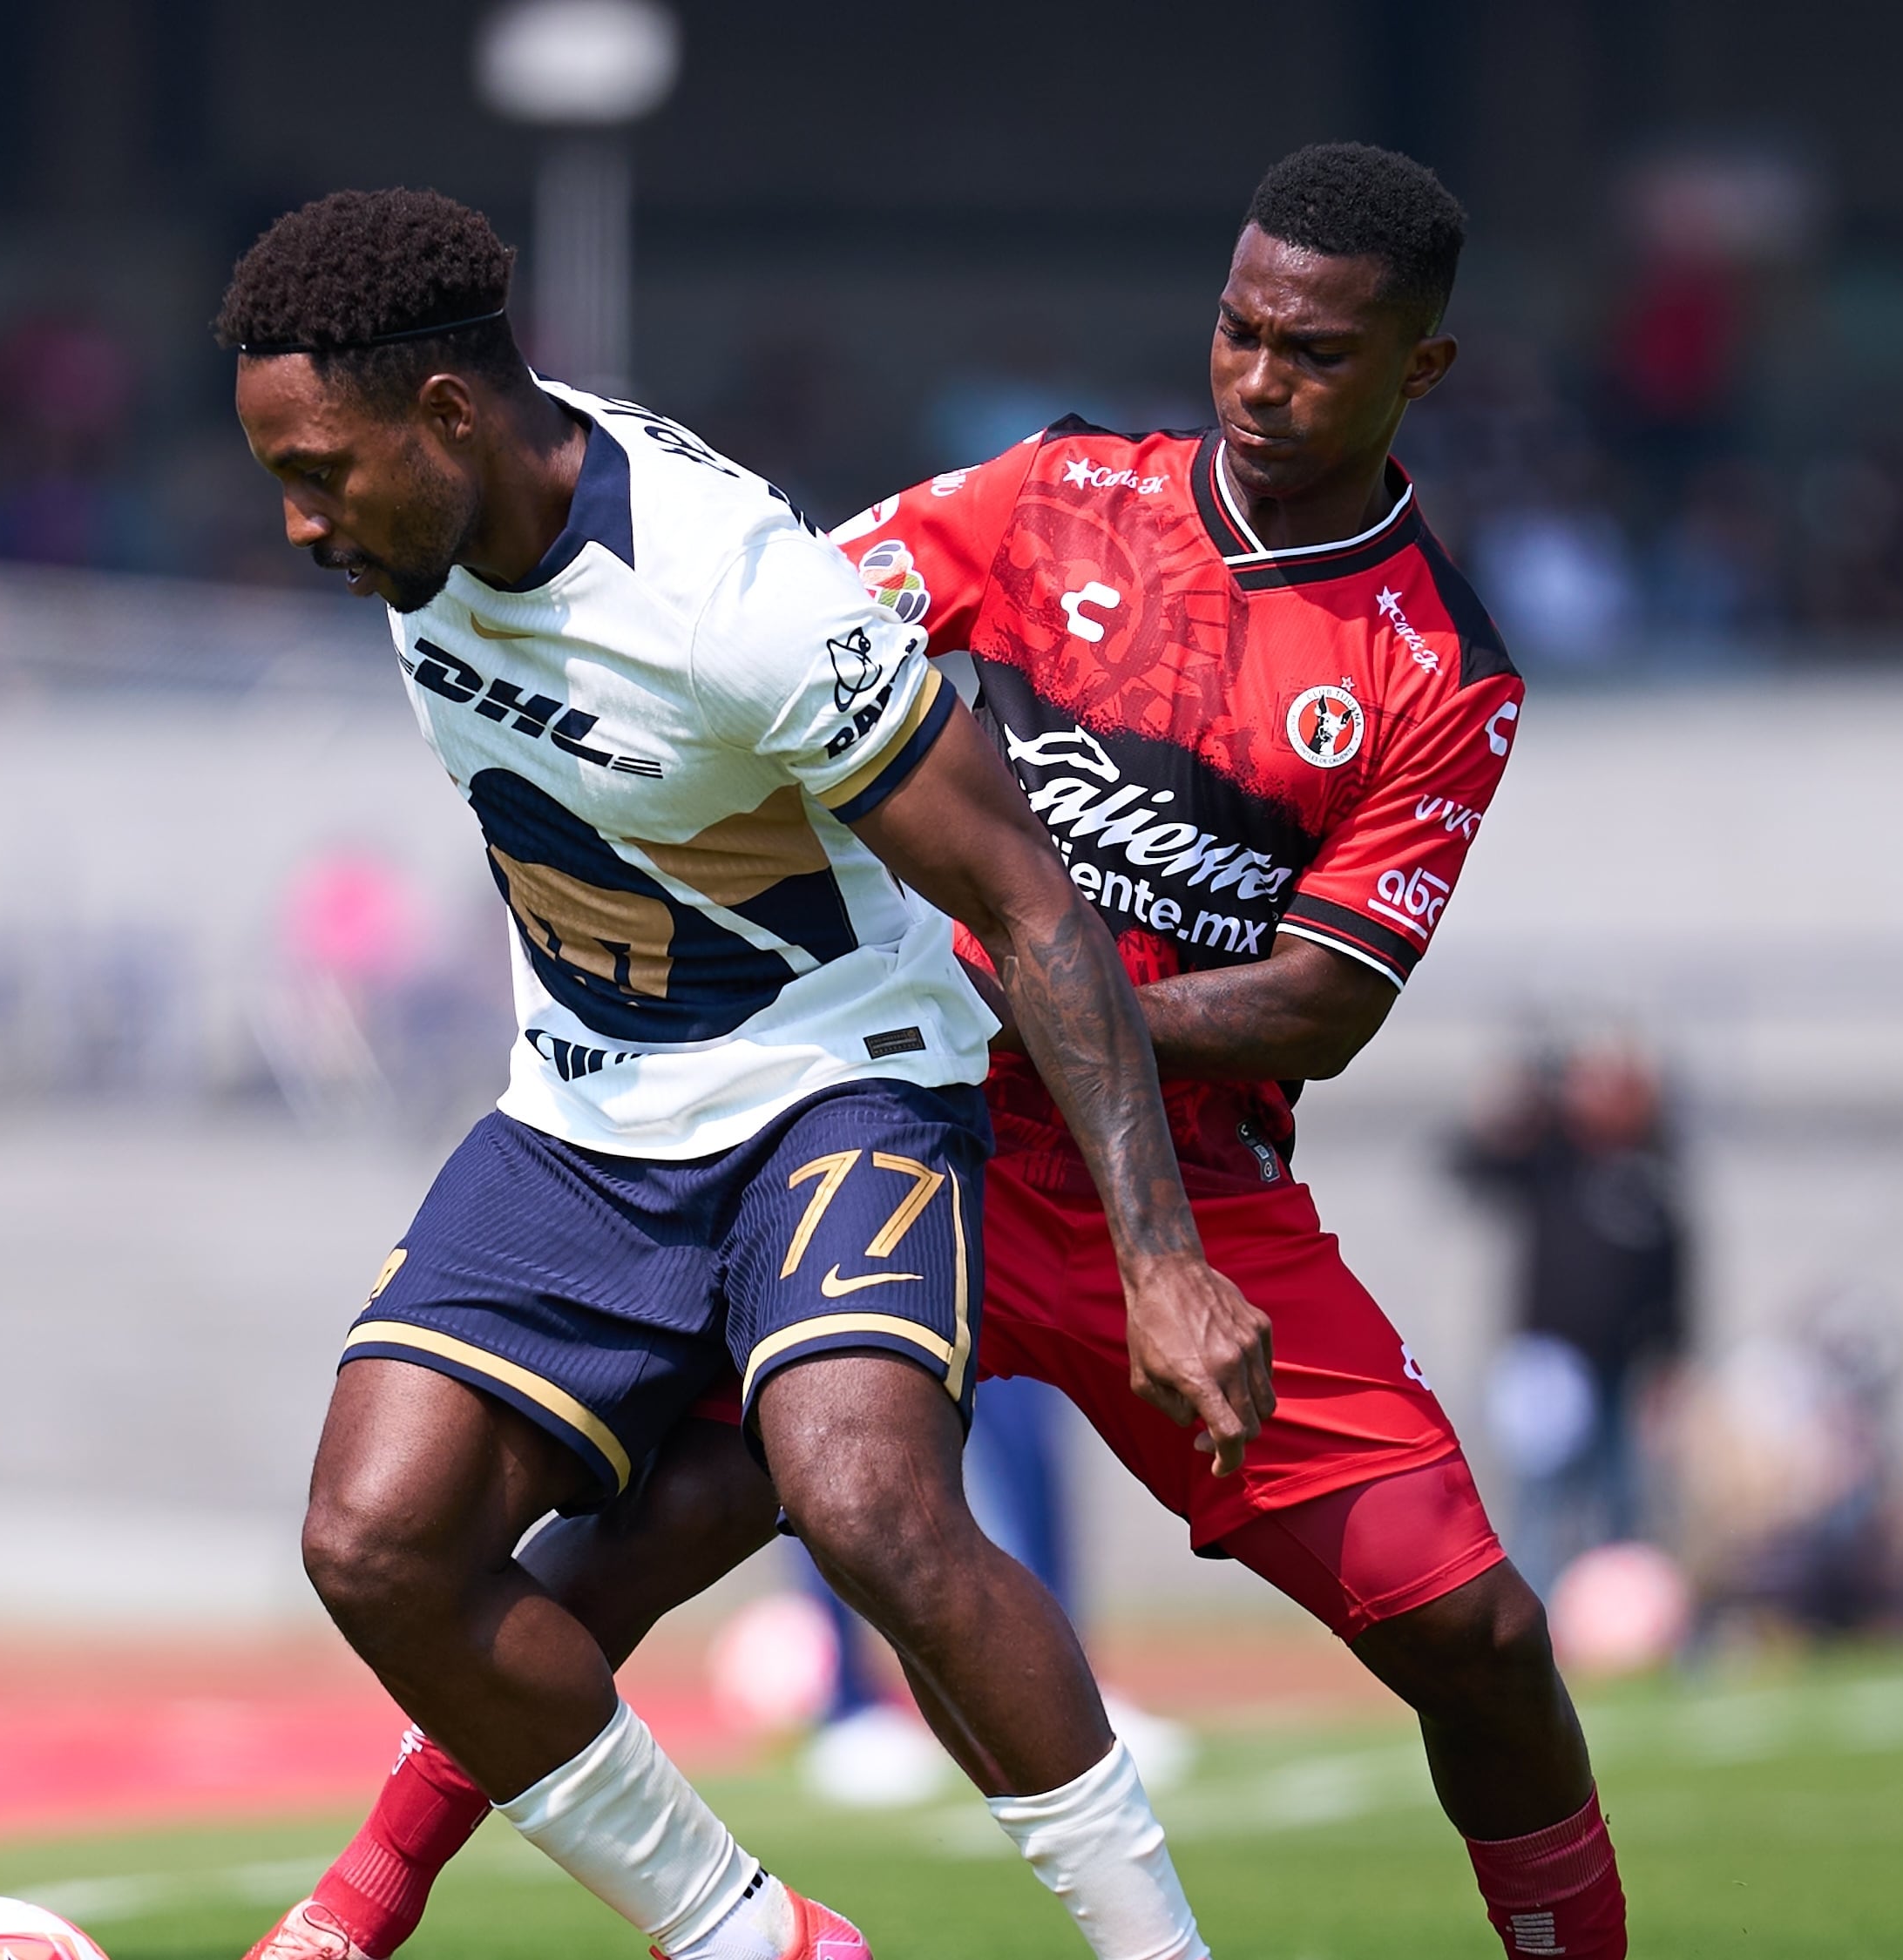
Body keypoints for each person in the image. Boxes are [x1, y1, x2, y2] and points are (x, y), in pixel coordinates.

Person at [266, 145, 1631, 1960]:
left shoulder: (1434, 668)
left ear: (1416, 373)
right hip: (886, 1116)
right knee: (665, 1519)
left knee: (1477, 1633)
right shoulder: (1056, 500)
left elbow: (1322, 1001)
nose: (1255, 378)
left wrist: (1056, 1029)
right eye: (1236, 330)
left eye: (1311, 351)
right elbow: (772, 659)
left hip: (1166, 1176)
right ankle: (365, 1901)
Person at [219, 190, 1270, 1960]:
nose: (301, 521)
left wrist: (1158, 1255)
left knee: (862, 1501)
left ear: (450, 417)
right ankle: (749, 1938)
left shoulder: (732, 601)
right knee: (371, 1540)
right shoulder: (424, 530)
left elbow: (1023, 895)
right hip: (582, 1112)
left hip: (834, 1081)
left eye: (319, 469)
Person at [1450, 1034, 1691, 1586]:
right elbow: (1469, 1164)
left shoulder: (1653, 1171)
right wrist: (1517, 1100)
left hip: (1623, 1366)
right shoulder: (1550, 1158)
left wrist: (1671, 1359)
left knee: (1621, 1498)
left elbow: (1673, 1278)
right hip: (1551, 1359)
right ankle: (1533, 1604)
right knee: (1542, 1494)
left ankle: (1619, 1612)